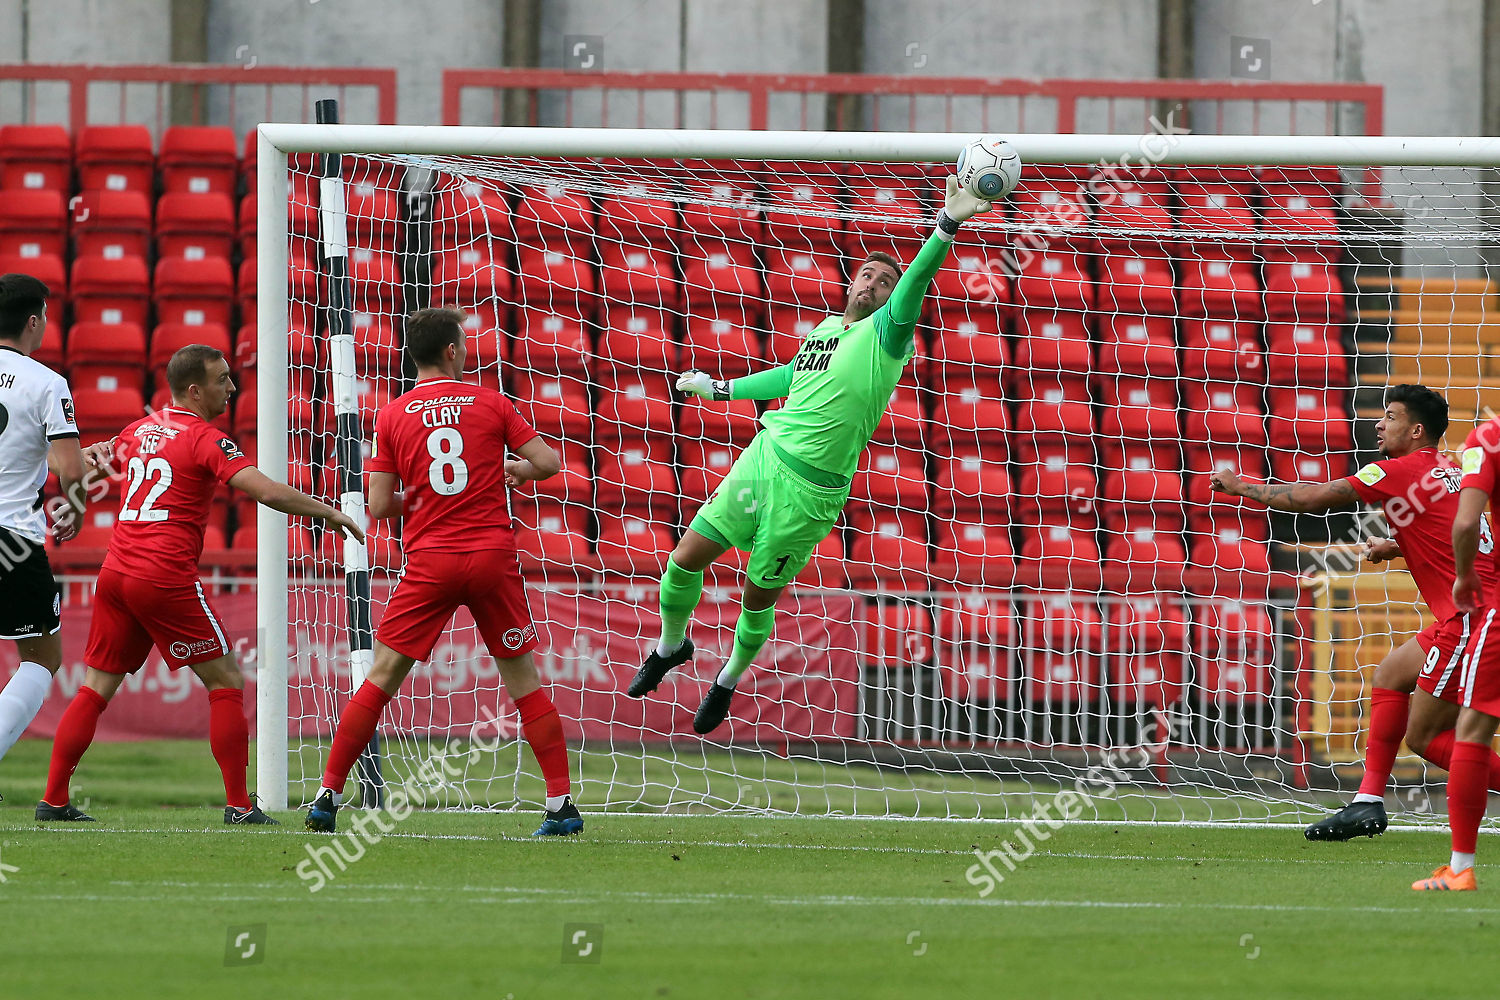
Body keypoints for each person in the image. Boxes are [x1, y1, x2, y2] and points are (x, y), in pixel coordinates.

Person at [629, 176, 994, 733]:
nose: (873, 283)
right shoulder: (823, 330)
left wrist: (946, 226)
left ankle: (726, 680)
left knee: (756, 597)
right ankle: (670, 646)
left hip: (811, 491)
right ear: (852, 282)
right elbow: (793, 375)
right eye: (867, 274)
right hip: (764, 458)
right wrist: (720, 390)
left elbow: (916, 282)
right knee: (683, 560)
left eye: (884, 281)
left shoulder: (885, 337)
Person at [38, 344, 363, 823]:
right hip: (163, 575)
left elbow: (76, 467)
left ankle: (54, 800)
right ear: (194, 389)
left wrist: (75, 470)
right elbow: (267, 491)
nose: (232, 387)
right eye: (223, 379)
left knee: (93, 688)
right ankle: (237, 807)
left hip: (117, 572)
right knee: (227, 681)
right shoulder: (206, 439)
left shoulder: (137, 430)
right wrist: (330, 512)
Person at [304, 308, 580, 837]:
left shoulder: (390, 415)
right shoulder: (491, 403)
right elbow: (548, 464)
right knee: (522, 680)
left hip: (431, 558)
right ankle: (560, 805)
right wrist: (512, 470)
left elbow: (380, 505)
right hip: (490, 556)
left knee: (381, 677)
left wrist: (424, 493)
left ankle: (326, 796)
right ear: (452, 350)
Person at [1211, 384, 1500, 841]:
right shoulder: (1449, 471)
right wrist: (1397, 545)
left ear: (1417, 429)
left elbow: (1312, 499)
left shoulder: (1395, 471)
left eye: (1390, 415)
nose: (1379, 423)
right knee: (1390, 674)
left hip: (1473, 619)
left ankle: (1391, 811)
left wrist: (1240, 486)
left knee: (1425, 739)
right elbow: (1463, 537)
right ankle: (1367, 802)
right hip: (1472, 612)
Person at [0, 273, 87, 771]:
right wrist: (72, 509)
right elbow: (70, 468)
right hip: (12, 537)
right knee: (39, 658)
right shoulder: (45, 381)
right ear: (34, 321)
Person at [1411, 412, 1500, 889]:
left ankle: (1461, 868)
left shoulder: (1489, 436)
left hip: (1496, 606)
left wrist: (1465, 575)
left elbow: (1466, 523)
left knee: (1472, 727)